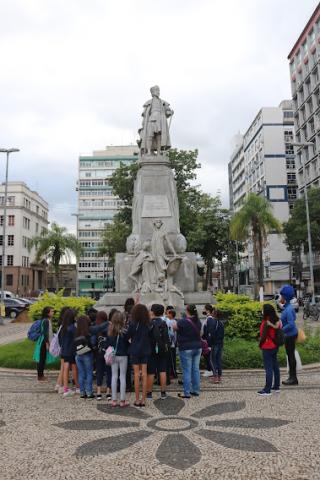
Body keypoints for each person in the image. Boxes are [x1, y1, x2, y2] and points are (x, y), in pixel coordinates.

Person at [174, 304, 202, 399]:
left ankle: (186, 393)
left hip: (186, 348)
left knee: (186, 370)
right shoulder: (198, 321)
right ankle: (196, 390)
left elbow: (174, 327)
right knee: (195, 369)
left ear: (187, 311)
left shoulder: (182, 321)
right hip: (198, 347)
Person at [127, 303, 151, 407]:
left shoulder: (132, 324)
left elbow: (127, 335)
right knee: (144, 374)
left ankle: (137, 399)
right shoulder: (148, 324)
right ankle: (144, 399)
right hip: (145, 350)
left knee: (136, 375)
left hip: (135, 350)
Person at [147, 304, 170, 400]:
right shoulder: (164, 323)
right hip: (162, 349)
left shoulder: (149, 323)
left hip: (151, 349)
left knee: (151, 372)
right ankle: (163, 392)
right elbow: (166, 337)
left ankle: (149, 393)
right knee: (162, 370)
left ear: (152, 312)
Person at [258, 304, 281, 396]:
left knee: (268, 368)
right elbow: (278, 326)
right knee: (275, 366)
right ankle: (276, 386)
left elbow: (263, 336)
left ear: (266, 311)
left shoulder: (265, 321)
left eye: (263, 310)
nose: (262, 311)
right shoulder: (275, 319)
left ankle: (267, 390)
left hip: (267, 347)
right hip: (275, 346)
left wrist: (260, 344)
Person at [108, 311, 129, 407]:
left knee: (114, 376)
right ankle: (122, 400)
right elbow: (128, 343)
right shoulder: (125, 331)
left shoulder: (110, 331)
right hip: (123, 355)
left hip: (113, 355)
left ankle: (114, 400)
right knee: (122, 377)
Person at [280, 284, 299, 386]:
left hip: (290, 335)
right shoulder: (288, 307)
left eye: (282, 296)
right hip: (290, 335)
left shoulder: (288, 309)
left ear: (286, 297)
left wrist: (281, 330)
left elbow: (291, 324)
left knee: (291, 356)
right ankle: (292, 377)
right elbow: (293, 319)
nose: (280, 298)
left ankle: (293, 378)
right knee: (290, 356)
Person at [74, 315, 95, 399]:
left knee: (81, 373)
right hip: (87, 354)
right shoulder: (88, 333)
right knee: (89, 373)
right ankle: (89, 392)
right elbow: (92, 344)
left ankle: (82, 392)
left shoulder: (76, 332)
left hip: (78, 354)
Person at [59, 309, 78, 397]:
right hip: (71, 351)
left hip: (64, 350)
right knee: (74, 368)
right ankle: (77, 386)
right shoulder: (73, 328)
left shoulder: (63, 326)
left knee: (65, 368)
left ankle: (65, 388)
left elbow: (60, 340)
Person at [33, 306, 55, 382]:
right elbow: (45, 333)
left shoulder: (46, 320)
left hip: (43, 341)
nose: (53, 313)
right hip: (43, 342)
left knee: (42, 358)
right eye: (51, 311)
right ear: (47, 313)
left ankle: (41, 375)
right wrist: (47, 343)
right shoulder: (46, 321)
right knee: (42, 359)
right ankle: (40, 376)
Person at [205, 305, 225, 384]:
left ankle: (215, 377)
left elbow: (211, 334)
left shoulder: (214, 322)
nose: (212, 313)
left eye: (213, 312)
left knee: (213, 360)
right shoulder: (221, 323)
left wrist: (209, 345)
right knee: (218, 360)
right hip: (220, 343)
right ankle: (219, 377)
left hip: (215, 344)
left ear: (215, 314)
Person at [94, 311, 111, 401]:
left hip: (99, 353)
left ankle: (99, 392)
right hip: (108, 353)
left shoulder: (96, 328)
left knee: (99, 372)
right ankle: (108, 392)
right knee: (109, 372)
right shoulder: (110, 327)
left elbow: (93, 341)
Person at [55, 306, 70, 393]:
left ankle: (58, 384)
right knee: (64, 368)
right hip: (65, 349)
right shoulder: (65, 325)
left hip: (62, 348)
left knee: (62, 368)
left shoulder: (61, 323)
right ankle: (60, 385)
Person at [165, 307, 177, 380]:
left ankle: (173, 373)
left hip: (172, 343)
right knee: (170, 359)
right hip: (172, 343)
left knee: (172, 360)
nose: (166, 314)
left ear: (171, 314)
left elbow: (172, 334)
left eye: (168, 313)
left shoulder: (172, 322)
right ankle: (171, 372)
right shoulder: (171, 321)